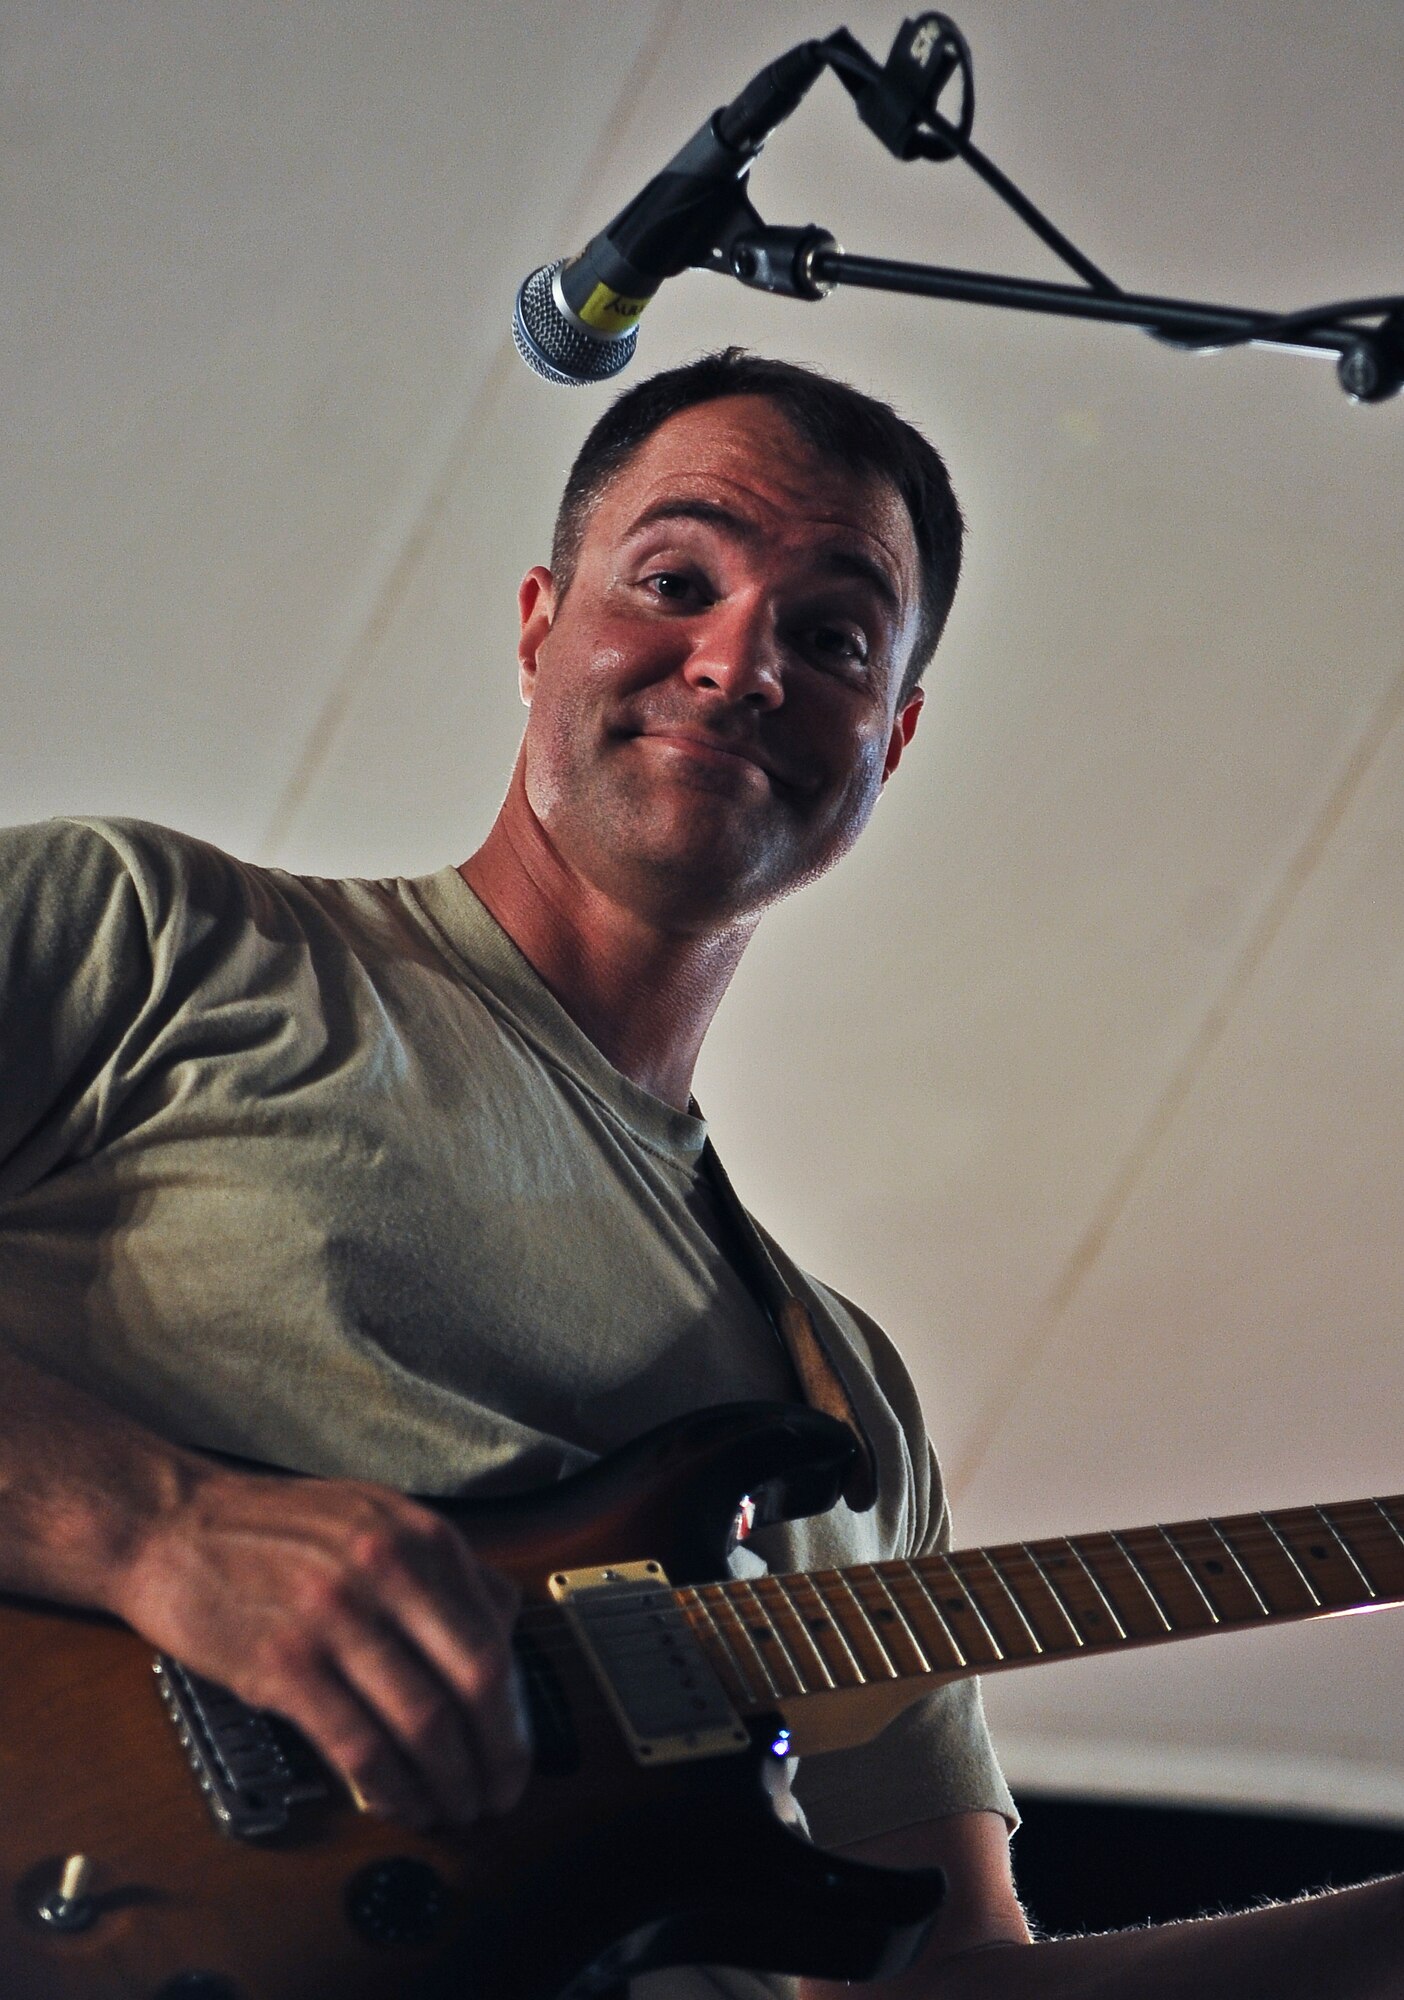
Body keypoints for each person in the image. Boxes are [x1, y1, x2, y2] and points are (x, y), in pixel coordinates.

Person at [0, 349, 1399, 1999]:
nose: (741, 663)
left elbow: (947, 1979)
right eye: (676, 581)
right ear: (537, 624)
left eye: (833, 636)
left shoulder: (843, 1408)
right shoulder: (158, 939)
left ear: (896, 734)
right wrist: (158, 1528)